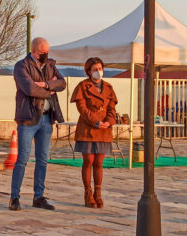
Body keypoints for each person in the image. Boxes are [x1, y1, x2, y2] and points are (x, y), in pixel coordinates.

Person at [9, 37, 66, 211]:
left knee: (42, 159)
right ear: (34, 51)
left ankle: (38, 196)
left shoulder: (50, 65)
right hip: (29, 117)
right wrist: (50, 90)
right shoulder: (21, 66)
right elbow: (29, 89)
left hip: (47, 118)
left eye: (47, 52)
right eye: (43, 52)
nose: (46, 55)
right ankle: (14, 197)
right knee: (23, 159)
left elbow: (62, 83)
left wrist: (46, 84)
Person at [70, 57, 117, 208]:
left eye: (100, 68)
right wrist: (95, 122)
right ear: (88, 71)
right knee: (88, 161)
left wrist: (109, 122)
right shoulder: (82, 86)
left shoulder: (109, 87)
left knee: (99, 162)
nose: (98, 72)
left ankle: (98, 193)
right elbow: (82, 109)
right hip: (88, 129)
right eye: (95, 69)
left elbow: (112, 109)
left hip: (104, 130)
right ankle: (88, 192)